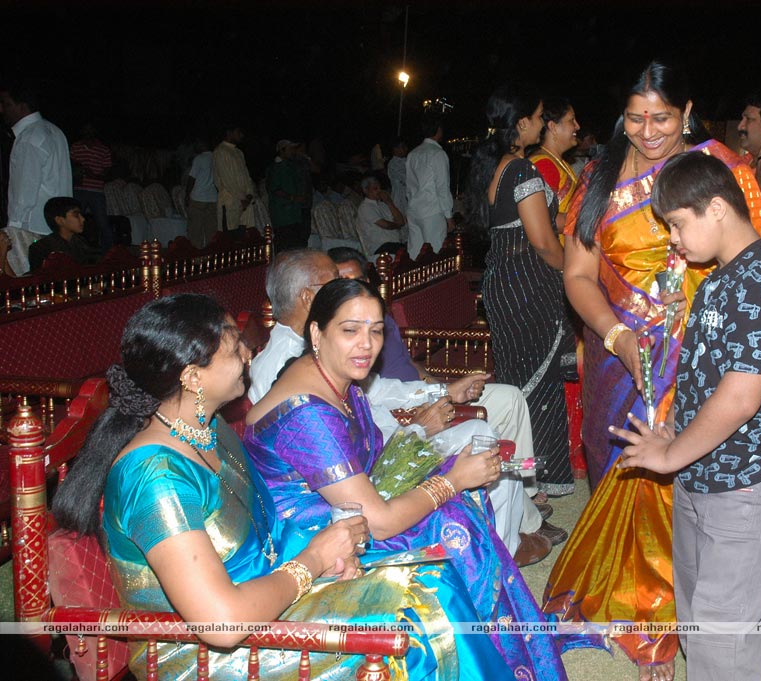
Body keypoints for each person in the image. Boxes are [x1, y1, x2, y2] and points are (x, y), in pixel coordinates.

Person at [51, 294, 509, 681]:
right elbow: (222, 625)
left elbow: (260, 536)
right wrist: (313, 559)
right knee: (420, 606)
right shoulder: (155, 477)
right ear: (192, 376)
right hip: (202, 653)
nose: (248, 356)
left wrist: (324, 558)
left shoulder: (208, 428)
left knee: (429, 571)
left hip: (262, 593)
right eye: (235, 348)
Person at [543, 61, 761, 681]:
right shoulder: (597, 177)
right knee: (616, 469)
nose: (648, 130)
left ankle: (663, 624)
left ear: (687, 112)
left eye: (662, 117)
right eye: (637, 116)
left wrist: (686, 327)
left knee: (675, 487)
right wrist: (617, 338)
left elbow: (746, 261)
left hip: (692, 358)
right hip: (616, 357)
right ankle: (619, 595)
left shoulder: (717, 170)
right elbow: (579, 276)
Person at [244, 279, 568, 680]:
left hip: (345, 507)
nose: (366, 344)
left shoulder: (335, 377)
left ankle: (497, 640)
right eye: (350, 330)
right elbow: (376, 521)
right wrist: (452, 481)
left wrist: (443, 476)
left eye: (376, 330)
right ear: (316, 332)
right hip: (312, 536)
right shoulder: (307, 414)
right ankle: (477, 656)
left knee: (458, 501)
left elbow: (370, 463)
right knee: (452, 522)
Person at [616, 151, 761, 681]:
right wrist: (675, 430)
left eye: (678, 224)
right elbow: (702, 374)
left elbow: (740, 398)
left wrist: (671, 454)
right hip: (703, 472)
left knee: (724, 626)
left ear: (719, 208)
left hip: (749, 481)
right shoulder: (721, 279)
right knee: (702, 610)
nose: (673, 240)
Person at [328, 246, 567, 563]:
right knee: (482, 439)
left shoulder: (369, 320)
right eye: (339, 284)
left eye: (356, 281)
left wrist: (442, 389)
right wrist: (417, 425)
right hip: (388, 451)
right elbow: (364, 441)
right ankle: (507, 544)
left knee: (503, 407)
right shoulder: (324, 362)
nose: (367, 339)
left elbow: (390, 384)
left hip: (411, 412)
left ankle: (518, 518)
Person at [468, 83, 576, 498]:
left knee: (520, 382)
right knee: (537, 386)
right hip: (527, 287)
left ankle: (522, 491)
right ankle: (534, 488)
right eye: (538, 116)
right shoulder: (522, 169)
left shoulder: (500, 167)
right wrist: (576, 274)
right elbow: (543, 241)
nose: (542, 123)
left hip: (508, 284)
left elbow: (548, 219)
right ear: (521, 124)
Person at [1, 85, 72, 275]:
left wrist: (12, 231)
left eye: (7, 104)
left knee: (24, 288)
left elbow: (24, 192)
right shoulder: (54, 131)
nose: (2, 110)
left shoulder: (29, 137)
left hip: (30, 228)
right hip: (54, 227)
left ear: (22, 106)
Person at [405, 114, 454, 259]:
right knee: (435, 254)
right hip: (432, 210)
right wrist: (448, 216)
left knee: (414, 254)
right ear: (438, 130)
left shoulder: (413, 153)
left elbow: (409, 185)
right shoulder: (438, 154)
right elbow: (442, 188)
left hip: (414, 209)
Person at [528, 97, 581, 230]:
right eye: (571, 120)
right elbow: (543, 222)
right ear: (553, 127)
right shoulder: (544, 164)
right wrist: (588, 221)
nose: (577, 126)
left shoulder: (561, 163)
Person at [69, 123, 114, 251]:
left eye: (90, 130)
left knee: (102, 223)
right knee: (74, 222)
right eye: (86, 130)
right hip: (79, 189)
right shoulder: (76, 147)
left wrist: (92, 174)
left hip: (96, 191)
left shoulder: (103, 149)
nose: (88, 132)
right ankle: (73, 250)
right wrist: (79, 169)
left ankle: (109, 252)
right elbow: (70, 164)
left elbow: (107, 172)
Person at [28, 197, 102, 272]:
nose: (83, 219)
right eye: (76, 215)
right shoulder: (41, 248)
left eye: (81, 214)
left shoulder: (84, 244)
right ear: (60, 220)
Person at [212, 125, 256, 231]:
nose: (241, 135)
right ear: (229, 132)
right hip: (230, 202)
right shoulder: (220, 151)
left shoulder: (238, 153)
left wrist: (249, 195)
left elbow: (247, 177)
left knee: (246, 238)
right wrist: (243, 198)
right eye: (238, 132)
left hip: (245, 203)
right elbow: (227, 180)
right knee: (230, 239)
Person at [357, 176, 406, 256]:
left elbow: (401, 221)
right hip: (380, 247)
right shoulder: (365, 207)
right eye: (375, 189)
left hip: (394, 244)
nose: (379, 191)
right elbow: (385, 225)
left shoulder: (383, 205)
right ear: (365, 190)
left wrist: (389, 202)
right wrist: (397, 225)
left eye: (380, 188)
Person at [185, 140, 219, 248]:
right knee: (211, 230)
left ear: (202, 145)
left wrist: (187, 195)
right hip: (212, 198)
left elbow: (191, 178)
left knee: (195, 230)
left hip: (198, 198)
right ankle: (211, 255)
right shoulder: (216, 158)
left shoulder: (199, 158)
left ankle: (196, 259)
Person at [387, 137, 410, 215]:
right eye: (403, 147)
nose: (406, 149)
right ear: (395, 149)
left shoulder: (408, 160)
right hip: (400, 198)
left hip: (409, 197)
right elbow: (407, 178)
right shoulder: (393, 164)